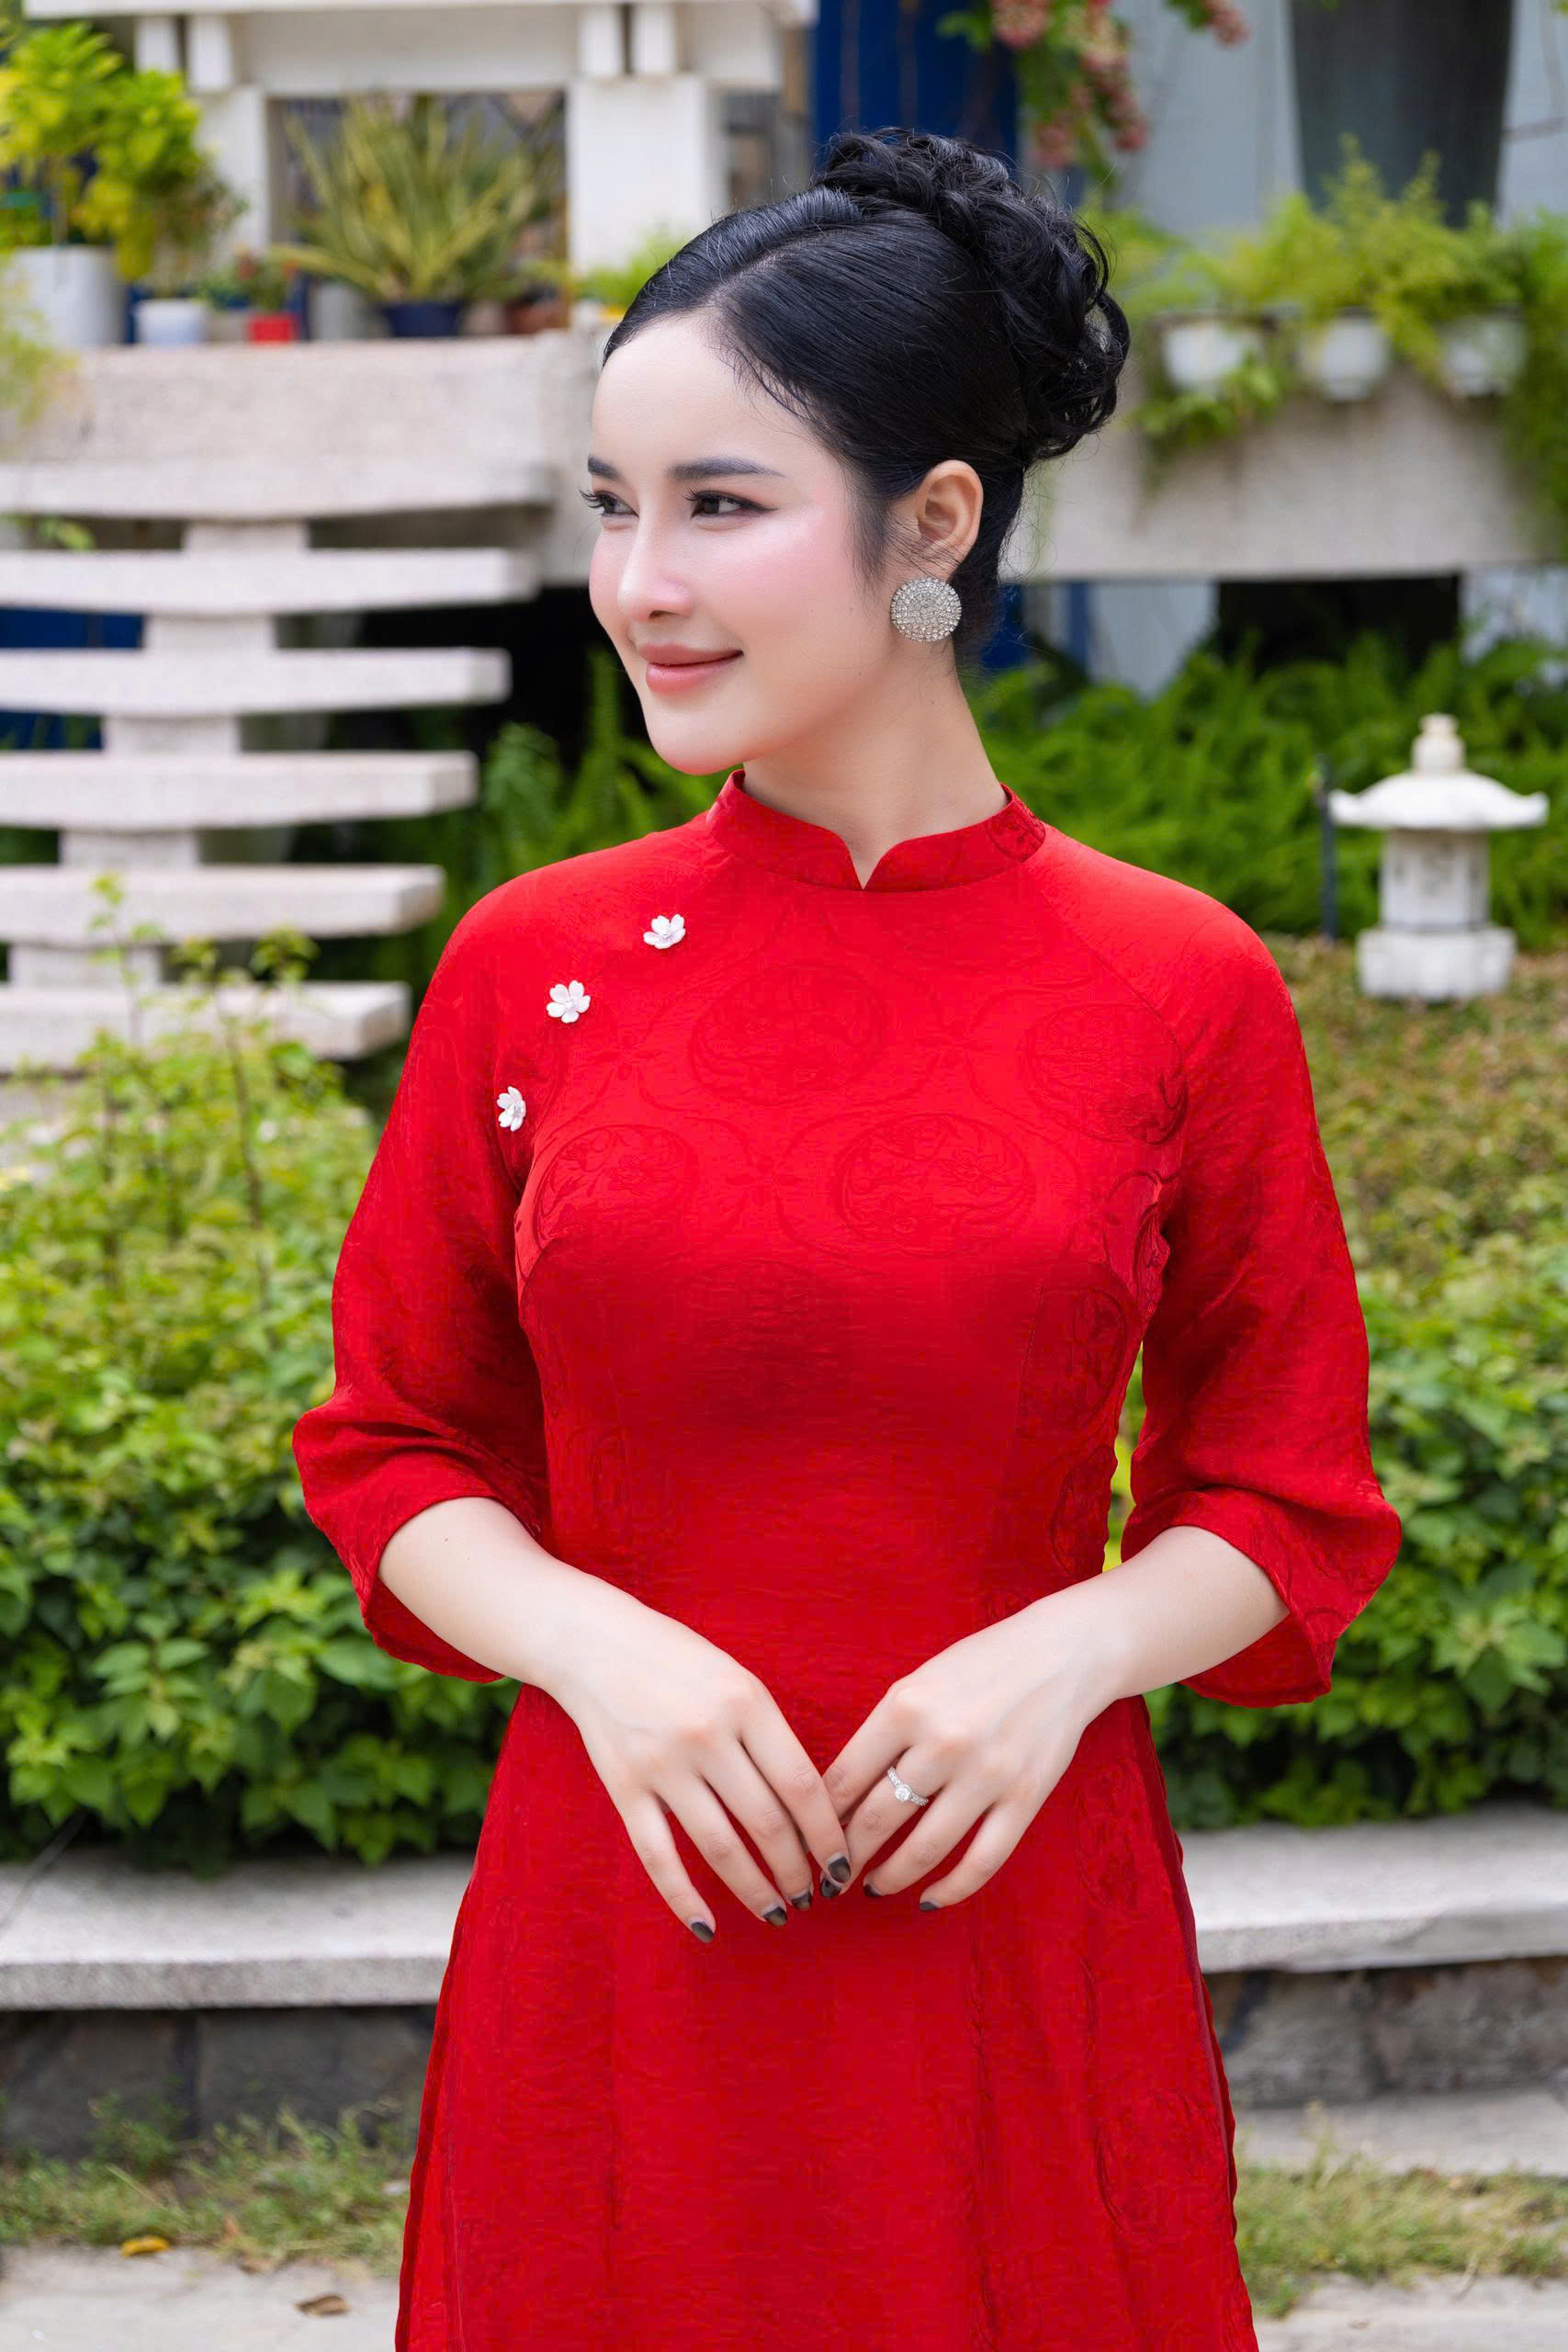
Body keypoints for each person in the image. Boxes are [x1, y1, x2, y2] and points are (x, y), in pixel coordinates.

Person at [292, 123, 1403, 2352]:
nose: (640, 583)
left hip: (1009, 1932)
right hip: (620, 1936)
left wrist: (1062, 1651)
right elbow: (394, 1442)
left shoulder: (1173, 984)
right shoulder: (535, 966)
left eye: (719, 504)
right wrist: (599, 1645)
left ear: (933, 523)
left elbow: (1281, 1496)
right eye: (610, 506)